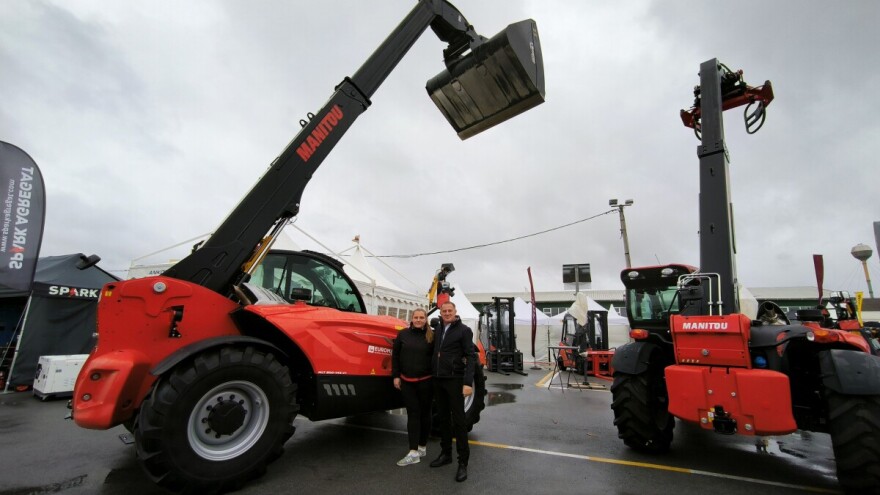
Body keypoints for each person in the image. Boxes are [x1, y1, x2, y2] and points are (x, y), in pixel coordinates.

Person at [429, 301, 475, 482]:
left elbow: (471, 356)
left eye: (450, 311)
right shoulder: (439, 329)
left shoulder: (464, 330)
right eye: (444, 311)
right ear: (440, 313)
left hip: (455, 380)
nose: (447, 313)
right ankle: (446, 454)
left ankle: (463, 462)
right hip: (438, 380)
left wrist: (468, 382)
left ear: (455, 312)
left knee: (459, 422)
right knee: (443, 419)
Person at [391, 308, 434, 466]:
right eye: (416, 317)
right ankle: (413, 451)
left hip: (426, 382)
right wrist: (395, 375)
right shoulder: (403, 334)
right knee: (413, 414)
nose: (418, 320)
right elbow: (395, 356)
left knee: (426, 414)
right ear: (411, 318)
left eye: (421, 317)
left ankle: (422, 446)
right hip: (407, 382)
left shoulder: (432, 336)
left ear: (425, 319)